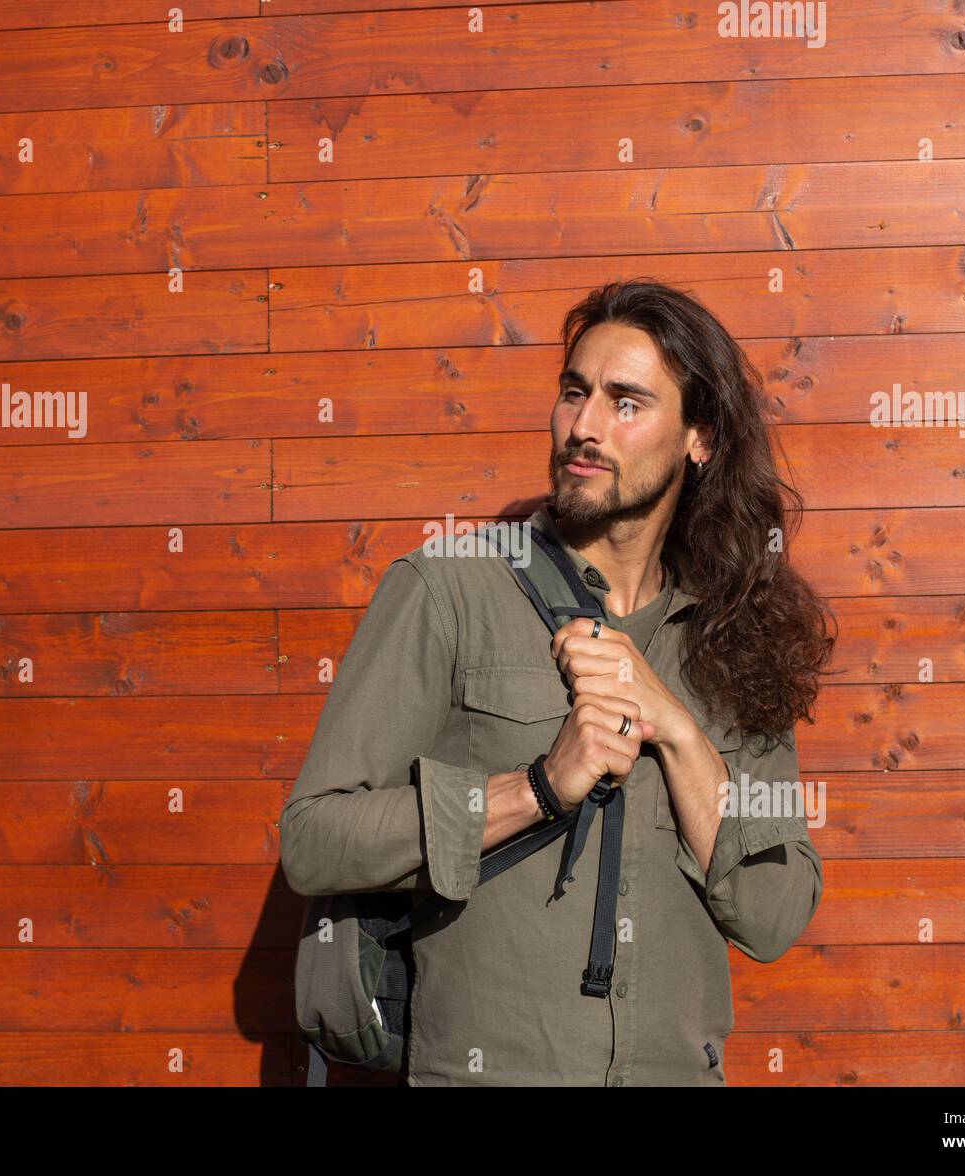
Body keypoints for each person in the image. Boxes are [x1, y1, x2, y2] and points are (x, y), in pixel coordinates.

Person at [280, 278, 835, 1085]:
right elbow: (314, 840)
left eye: (626, 402)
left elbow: (773, 917)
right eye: (574, 393)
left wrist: (678, 731)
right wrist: (535, 789)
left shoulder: (735, 634)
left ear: (700, 440)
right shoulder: (450, 590)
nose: (584, 427)